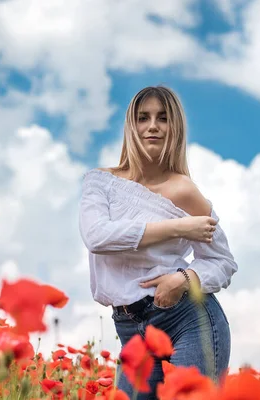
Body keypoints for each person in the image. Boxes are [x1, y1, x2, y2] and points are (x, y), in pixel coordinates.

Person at [78, 85, 238, 399]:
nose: (152, 126)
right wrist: (178, 227)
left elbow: (223, 261)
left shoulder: (184, 191)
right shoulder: (100, 182)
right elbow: (97, 237)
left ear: (174, 128)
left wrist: (185, 277)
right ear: (131, 125)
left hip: (187, 320)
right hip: (129, 329)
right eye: (143, 118)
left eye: (163, 119)